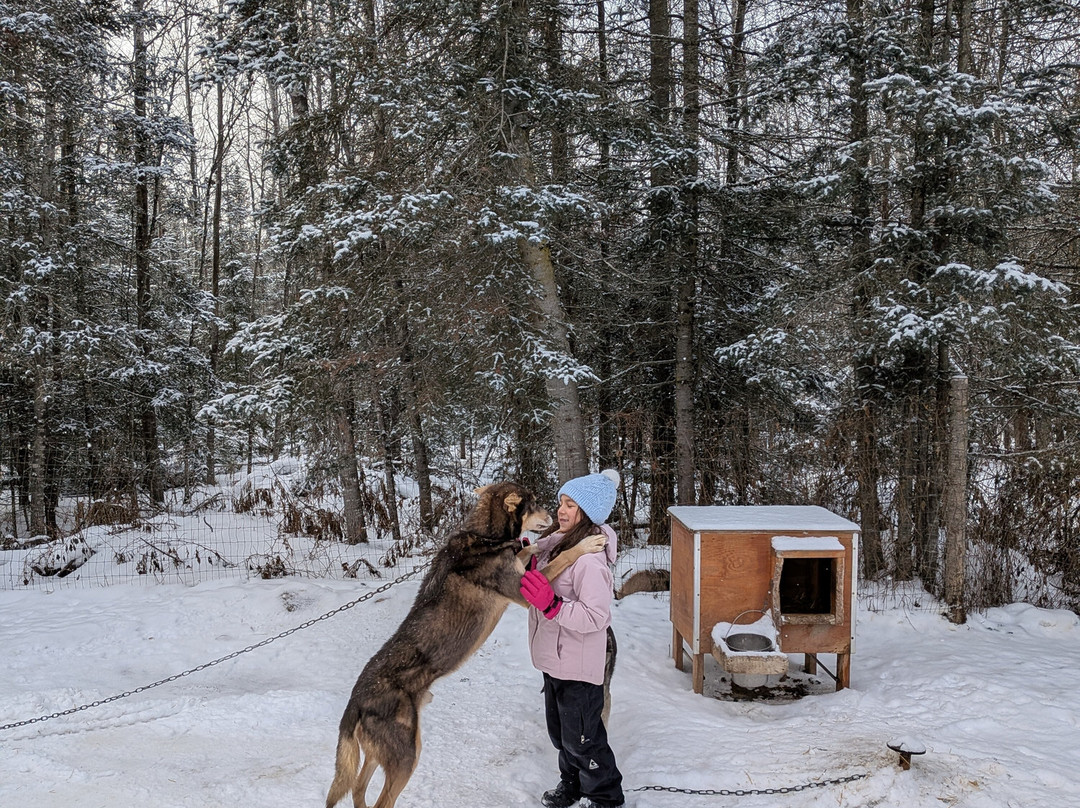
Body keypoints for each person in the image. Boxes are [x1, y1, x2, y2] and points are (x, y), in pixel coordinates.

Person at [519, 469, 625, 808]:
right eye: (561, 502)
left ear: (588, 513)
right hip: (555, 660)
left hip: (578, 665)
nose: (561, 511)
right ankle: (573, 784)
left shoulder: (590, 561)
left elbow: (596, 617)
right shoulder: (558, 544)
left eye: (571, 505)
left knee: (584, 739)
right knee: (562, 735)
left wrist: (552, 605)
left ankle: (605, 796)